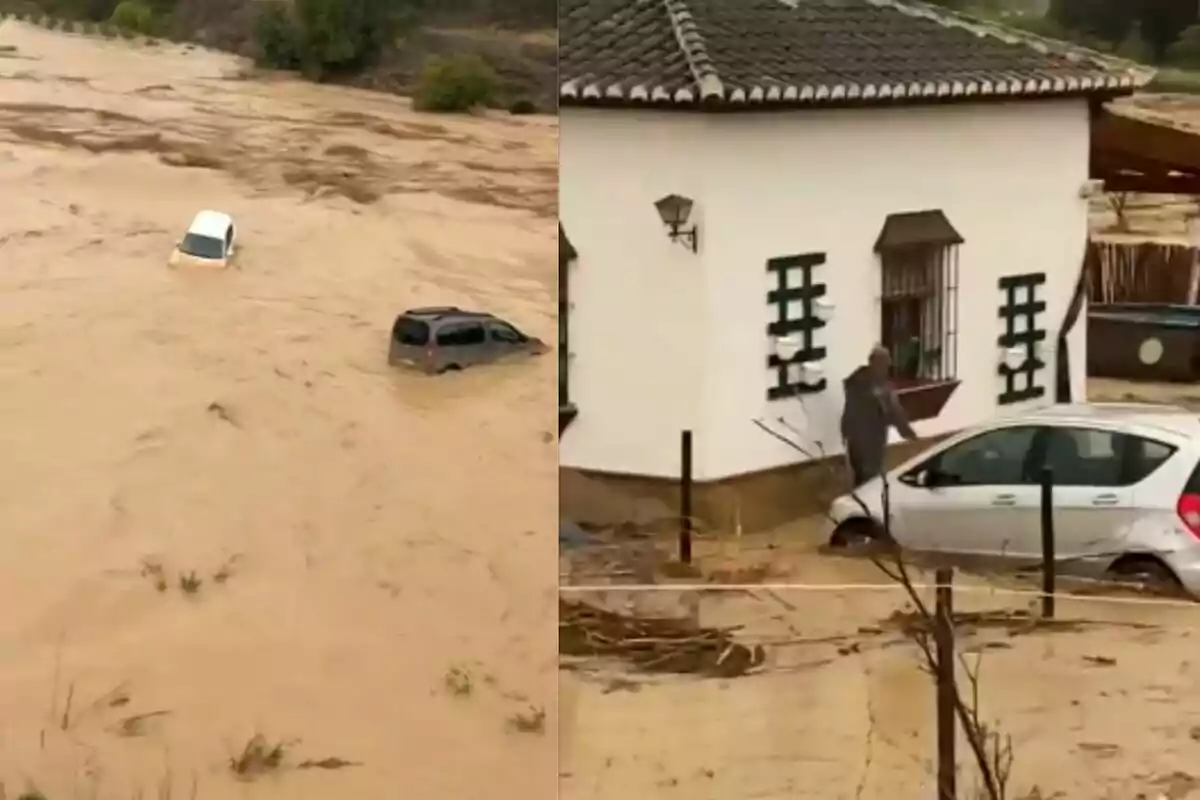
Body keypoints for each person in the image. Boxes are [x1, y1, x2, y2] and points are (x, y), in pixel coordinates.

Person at [840, 345, 918, 487]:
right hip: (871, 440)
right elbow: (894, 412)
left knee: (859, 477)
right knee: (871, 480)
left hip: (854, 439)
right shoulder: (879, 387)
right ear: (878, 363)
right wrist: (908, 432)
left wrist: (845, 433)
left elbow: (849, 411)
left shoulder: (855, 382)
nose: (887, 368)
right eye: (885, 364)